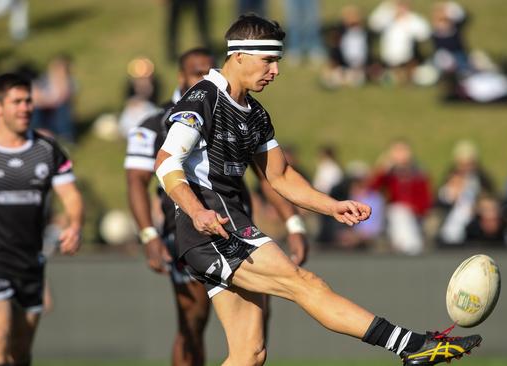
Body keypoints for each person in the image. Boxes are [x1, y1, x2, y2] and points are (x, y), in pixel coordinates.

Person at [154, 14, 480, 366]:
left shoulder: (255, 113)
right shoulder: (203, 98)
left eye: (277, 61)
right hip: (212, 230)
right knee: (304, 282)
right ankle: (410, 345)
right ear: (239, 55)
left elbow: (280, 176)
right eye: (268, 60)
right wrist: (197, 210)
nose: (275, 71)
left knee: (249, 355)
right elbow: (167, 161)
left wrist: (332, 206)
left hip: (229, 225)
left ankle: (411, 346)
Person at [125, 48, 308, 366]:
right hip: (191, 228)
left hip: (238, 225)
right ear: (181, 76)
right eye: (195, 73)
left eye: (206, 71)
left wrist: (293, 224)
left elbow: (270, 176)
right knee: (193, 321)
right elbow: (136, 181)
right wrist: (148, 235)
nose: (203, 78)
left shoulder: (236, 110)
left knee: (257, 328)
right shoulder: (155, 123)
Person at [0, 73, 83, 366]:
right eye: (17, 102)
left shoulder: (47, 150)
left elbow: (71, 196)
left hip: (30, 263)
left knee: (21, 353)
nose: (25, 107)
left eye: (28, 101)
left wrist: (75, 224)